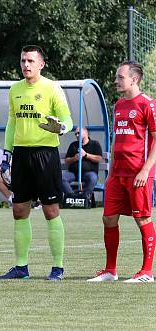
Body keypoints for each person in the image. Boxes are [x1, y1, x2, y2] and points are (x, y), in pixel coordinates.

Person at [0, 45, 72, 281]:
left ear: (41, 64)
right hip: (20, 155)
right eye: (22, 61)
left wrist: (60, 127)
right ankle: (21, 268)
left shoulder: (52, 88)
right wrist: (7, 153)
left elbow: (67, 119)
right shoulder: (15, 89)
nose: (26, 65)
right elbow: (12, 123)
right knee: (19, 210)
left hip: (45, 154)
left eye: (30, 61)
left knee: (51, 210)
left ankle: (58, 268)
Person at [88, 61, 156, 283]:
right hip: (117, 174)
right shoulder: (118, 105)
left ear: (134, 79)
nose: (116, 81)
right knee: (108, 218)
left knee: (143, 219)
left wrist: (145, 170)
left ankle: (146, 272)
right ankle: (110, 271)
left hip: (138, 173)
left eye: (120, 77)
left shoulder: (148, 104)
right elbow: (117, 140)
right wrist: (109, 173)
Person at [61, 127, 102, 196]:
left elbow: (99, 158)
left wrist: (86, 155)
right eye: (75, 134)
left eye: (78, 133)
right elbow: (67, 160)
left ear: (86, 133)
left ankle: (85, 197)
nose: (77, 135)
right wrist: (74, 158)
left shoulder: (95, 144)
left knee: (93, 178)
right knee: (62, 178)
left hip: (89, 173)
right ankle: (72, 196)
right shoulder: (73, 145)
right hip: (73, 173)